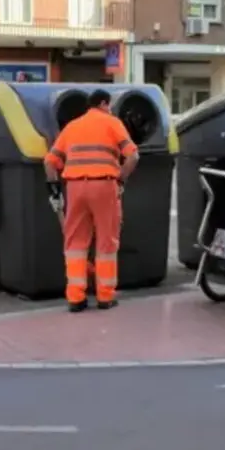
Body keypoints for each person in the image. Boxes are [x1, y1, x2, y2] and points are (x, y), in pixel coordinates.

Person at [43, 89, 140, 312]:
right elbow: (133, 155)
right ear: (104, 103)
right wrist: (121, 179)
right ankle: (105, 296)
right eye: (110, 105)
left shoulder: (72, 126)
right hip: (104, 185)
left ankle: (75, 297)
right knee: (106, 242)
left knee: (75, 244)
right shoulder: (111, 123)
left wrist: (54, 188)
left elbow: (49, 162)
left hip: (75, 187)